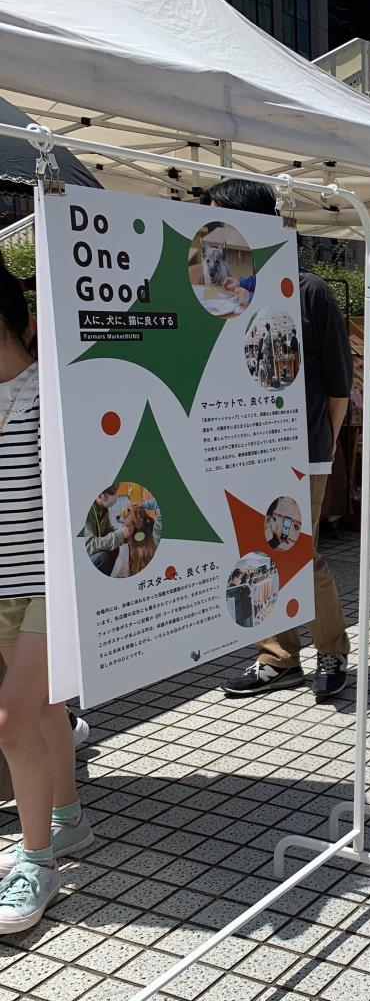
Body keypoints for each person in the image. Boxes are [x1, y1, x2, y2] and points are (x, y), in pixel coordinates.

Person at [203, 180, 354, 703]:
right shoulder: (222, 296)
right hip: (241, 446)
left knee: (297, 553)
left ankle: (331, 650)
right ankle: (278, 655)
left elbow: (339, 388)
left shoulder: (310, 291)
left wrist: (323, 449)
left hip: (301, 451)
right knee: (256, 552)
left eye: (219, 221)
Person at [0, 258, 92, 933]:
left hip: (49, 586)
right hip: (3, 584)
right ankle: (67, 818)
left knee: (10, 721)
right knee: (46, 706)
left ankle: (37, 864)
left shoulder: (47, 394)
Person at [85, 487, 133, 575]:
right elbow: (89, 545)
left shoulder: (103, 510)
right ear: (101, 495)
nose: (115, 496)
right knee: (102, 557)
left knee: (114, 547)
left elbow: (108, 532)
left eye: (116, 492)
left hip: (93, 551)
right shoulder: (87, 512)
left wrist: (126, 535)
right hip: (85, 555)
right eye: (112, 493)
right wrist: (120, 535)